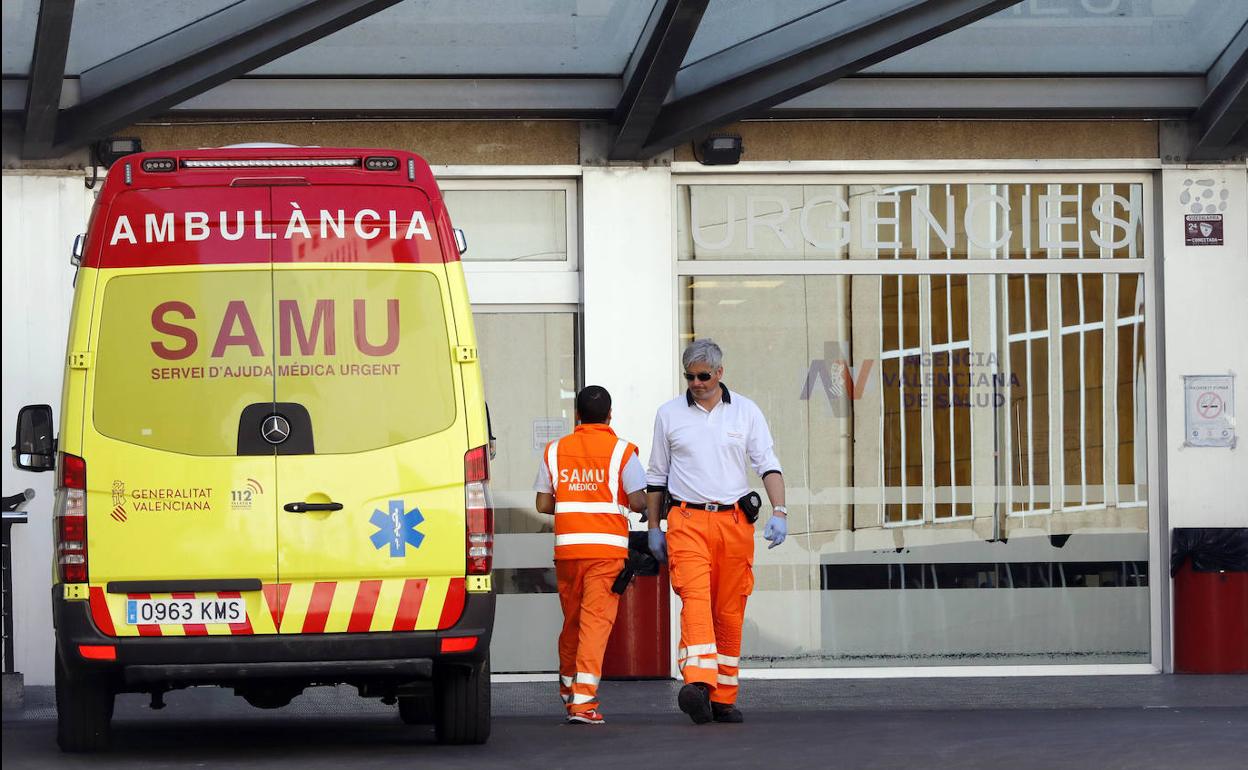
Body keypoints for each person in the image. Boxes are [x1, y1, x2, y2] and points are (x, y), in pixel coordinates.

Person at [645, 338, 787, 725]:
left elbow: (768, 465)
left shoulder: (746, 412)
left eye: (703, 376)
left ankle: (723, 697)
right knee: (694, 599)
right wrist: (654, 527)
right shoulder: (669, 414)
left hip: (734, 523)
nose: (696, 382)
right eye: (689, 376)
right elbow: (656, 476)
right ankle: (698, 683)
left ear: (720, 373)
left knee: (730, 609)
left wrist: (781, 510)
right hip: (687, 521)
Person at [535, 385, 647, 725]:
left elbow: (542, 504)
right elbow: (639, 500)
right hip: (605, 553)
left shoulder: (554, 451)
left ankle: (570, 693)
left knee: (573, 623)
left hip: (568, 553)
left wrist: (576, 503)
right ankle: (583, 704)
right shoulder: (622, 452)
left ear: (578, 416)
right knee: (595, 624)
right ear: (610, 416)